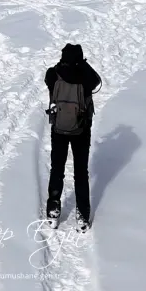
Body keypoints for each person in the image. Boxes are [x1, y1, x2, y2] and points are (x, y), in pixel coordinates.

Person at [45, 43, 102, 231]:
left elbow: (49, 78)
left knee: (57, 168)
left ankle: (53, 210)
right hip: (81, 129)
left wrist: (62, 64)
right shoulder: (86, 77)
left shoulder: (53, 75)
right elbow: (97, 81)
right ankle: (83, 216)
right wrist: (82, 64)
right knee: (80, 172)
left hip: (59, 128)